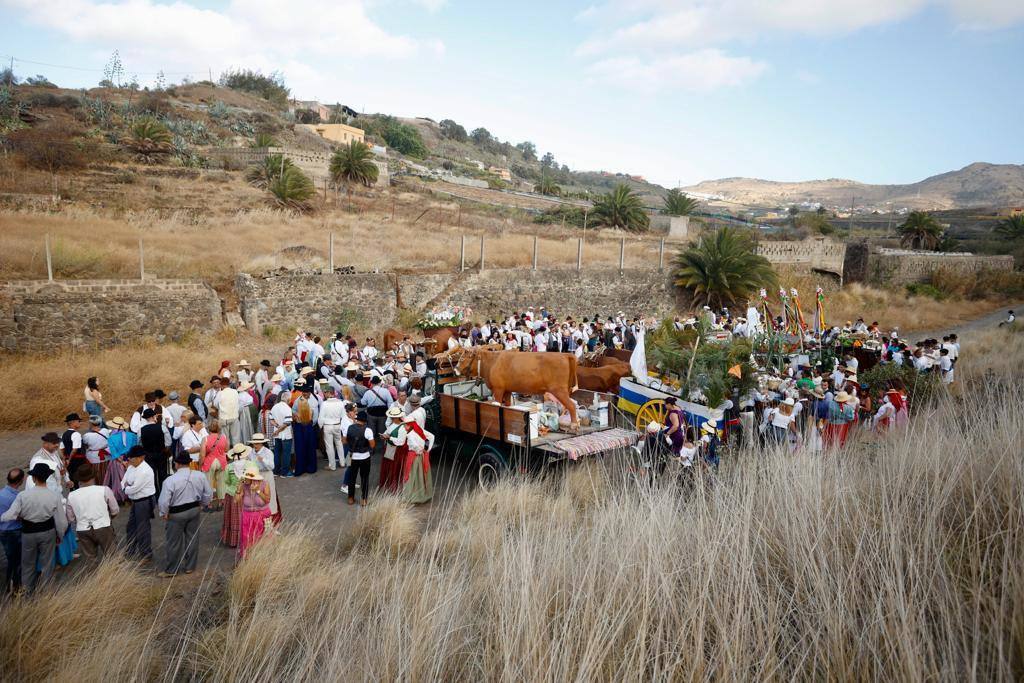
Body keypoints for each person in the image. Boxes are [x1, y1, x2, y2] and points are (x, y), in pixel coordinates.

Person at [1, 463, 67, 593]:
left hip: (28, 533)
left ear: (33, 478)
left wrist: (6, 516)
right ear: (47, 477)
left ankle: (27, 592)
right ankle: (47, 591)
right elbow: (61, 521)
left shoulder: (23, 496)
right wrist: (60, 535)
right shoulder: (53, 496)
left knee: (27, 564)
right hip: (47, 531)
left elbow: (10, 515)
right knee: (47, 564)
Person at [157, 452, 213, 578]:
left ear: (176, 464)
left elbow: (164, 501)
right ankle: (190, 567)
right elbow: (208, 493)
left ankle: (172, 569)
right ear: (189, 463)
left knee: (174, 542)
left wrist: (164, 513)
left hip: (176, 513)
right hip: (194, 509)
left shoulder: (170, 480)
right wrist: (203, 504)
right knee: (192, 539)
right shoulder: (200, 476)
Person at [65, 463, 118, 562]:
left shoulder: (71, 495)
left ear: (79, 479)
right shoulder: (104, 490)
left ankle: (94, 576)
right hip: (103, 526)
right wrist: (109, 517)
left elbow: (71, 518)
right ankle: (114, 575)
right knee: (112, 556)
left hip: (83, 528)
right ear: (93, 476)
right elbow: (115, 510)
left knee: (91, 559)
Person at [122, 445, 156, 562]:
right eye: (129, 458)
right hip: (136, 501)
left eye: (132, 458)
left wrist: (126, 488)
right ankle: (130, 550)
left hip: (144, 501)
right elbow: (123, 481)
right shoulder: (132, 467)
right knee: (130, 527)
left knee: (143, 528)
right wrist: (126, 487)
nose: (129, 460)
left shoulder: (145, 470)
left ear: (141, 458)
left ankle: (146, 553)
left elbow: (134, 488)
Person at [237, 466, 272, 559]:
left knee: (264, 538)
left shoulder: (264, 484)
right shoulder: (244, 486)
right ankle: (248, 559)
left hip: (262, 516)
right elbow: (236, 500)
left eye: (246, 477)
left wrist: (258, 491)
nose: (244, 479)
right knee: (247, 539)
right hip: (247, 517)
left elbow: (267, 500)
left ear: (252, 478)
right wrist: (238, 488)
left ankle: (263, 558)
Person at [400, 415, 434, 504]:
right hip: (422, 456)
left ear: (410, 425)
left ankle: (411, 496)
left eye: (405, 425)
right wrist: (427, 449)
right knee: (422, 475)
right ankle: (424, 494)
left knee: (411, 475)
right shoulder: (420, 430)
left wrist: (419, 449)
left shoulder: (410, 435)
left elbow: (414, 446)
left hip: (413, 457)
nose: (404, 426)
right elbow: (431, 437)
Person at [220, 443, 249, 548]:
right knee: (246, 516)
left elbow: (226, 481)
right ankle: (246, 537)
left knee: (233, 517)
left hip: (232, 494)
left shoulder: (229, 467)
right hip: (247, 494)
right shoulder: (250, 465)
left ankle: (234, 540)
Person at [247, 434, 280, 525]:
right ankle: (259, 523)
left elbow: (272, 466)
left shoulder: (268, 452)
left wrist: (263, 460)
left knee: (270, 498)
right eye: (254, 443)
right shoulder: (251, 452)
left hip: (266, 475)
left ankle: (271, 524)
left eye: (257, 443)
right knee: (257, 499)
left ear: (262, 443)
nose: (255, 445)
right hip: (256, 476)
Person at [0, 468, 24, 593]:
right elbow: (20, 516)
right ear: (20, 481)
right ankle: (15, 586)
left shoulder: (1, 493)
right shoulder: (17, 498)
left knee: (10, 558)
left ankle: (10, 584)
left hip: (3, 531)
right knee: (17, 560)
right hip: (14, 530)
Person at [345, 411, 375, 506]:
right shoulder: (368, 430)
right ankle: (364, 500)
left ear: (357, 419)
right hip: (364, 457)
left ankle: (350, 498)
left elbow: (344, 441)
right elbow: (372, 444)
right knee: (364, 478)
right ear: (365, 421)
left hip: (352, 456)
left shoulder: (349, 427)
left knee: (351, 477)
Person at [199, 420, 228, 510]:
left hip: (209, 461)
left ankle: (209, 504)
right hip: (221, 461)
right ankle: (220, 503)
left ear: (209, 429)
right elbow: (226, 449)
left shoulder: (205, 438)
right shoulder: (224, 437)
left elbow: (202, 454)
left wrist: (200, 464)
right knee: (221, 483)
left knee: (208, 483)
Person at [291, 384, 319, 476]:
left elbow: (315, 417)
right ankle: (302, 467)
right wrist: (296, 417)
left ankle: (310, 467)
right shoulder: (297, 400)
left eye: (308, 393)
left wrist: (310, 424)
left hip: (308, 426)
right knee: (300, 447)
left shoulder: (313, 401)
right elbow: (293, 411)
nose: (307, 394)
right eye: (306, 393)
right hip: (300, 426)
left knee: (309, 447)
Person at [379, 405, 408, 492]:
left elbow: (401, 442)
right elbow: (387, 431)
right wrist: (384, 436)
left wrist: (389, 437)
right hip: (389, 449)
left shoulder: (402, 427)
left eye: (393, 417)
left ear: (398, 417)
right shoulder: (392, 424)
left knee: (395, 469)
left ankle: (394, 486)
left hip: (396, 452)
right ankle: (388, 484)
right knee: (389, 467)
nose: (391, 418)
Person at [139, 408, 168, 495]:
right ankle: (164, 493)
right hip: (161, 453)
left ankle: (155, 494)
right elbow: (168, 441)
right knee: (162, 474)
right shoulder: (162, 427)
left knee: (151, 475)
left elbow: (139, 443)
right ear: (153, 416)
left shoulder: (141, 430)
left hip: (148, 454)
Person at [270, 391, 295, 477]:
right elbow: (287, 423)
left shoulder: (274, 407)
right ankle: (285, 472)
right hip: (285, 435)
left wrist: (277, 427)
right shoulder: (287, 408)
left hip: (277, 435)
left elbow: (271, 419)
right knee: (286, 454)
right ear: (288, 399)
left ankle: (276, 471)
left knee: (277, 453)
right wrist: (279, 429)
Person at [61, 412, 86, 486]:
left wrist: (65, 459)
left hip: (68, 460)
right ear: (73, 422)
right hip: (77, 461)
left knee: (72, 477)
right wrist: (69, 459)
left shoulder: (64, 434)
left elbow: (62, 448)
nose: (80, 423)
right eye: (79, 421)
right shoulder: (76, 434)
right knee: (79, 478)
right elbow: (75, 449)